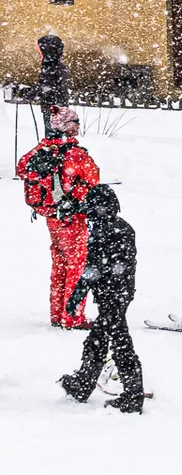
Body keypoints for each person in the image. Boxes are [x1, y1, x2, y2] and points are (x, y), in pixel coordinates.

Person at [57, 186, 144, 413]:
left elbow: (95, 268)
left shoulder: (107, 230)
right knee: (99, 339)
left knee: (119, 343)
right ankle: (83, 385)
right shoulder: (118, 227)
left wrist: (77, 294)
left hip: (113, 296)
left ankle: (133, 395)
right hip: (118, 294)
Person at [18, 105, 99, 329]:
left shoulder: (41, 151)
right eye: (75, 123)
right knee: (77, 266)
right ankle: (72, 316)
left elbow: (22, 168)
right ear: (69, 127)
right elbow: (93, 181)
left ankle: (57, 313)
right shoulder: (76, 154)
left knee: (60, 264)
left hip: (51, 216)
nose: (78, 127)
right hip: (72, 217)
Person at [34, 33, 69, 136]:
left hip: (53, 107)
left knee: (52, 137)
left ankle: (53, 150)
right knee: (58, 136)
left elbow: (46, 87)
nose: (39, 53)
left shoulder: (51, 67)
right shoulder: (56, 64)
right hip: (58, 106)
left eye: (40, 50)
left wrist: (32, 93)